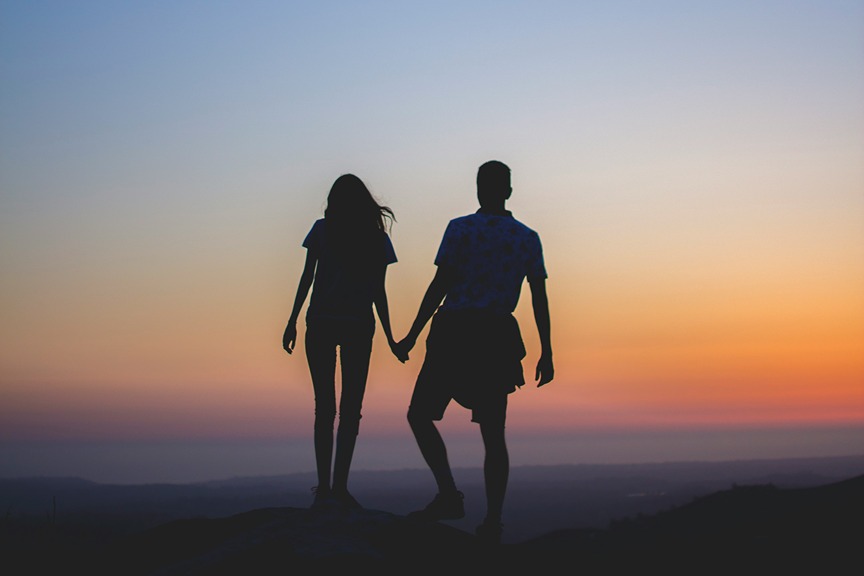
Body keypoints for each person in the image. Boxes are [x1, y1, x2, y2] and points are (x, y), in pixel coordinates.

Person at [395, 160, 554, 545]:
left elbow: (440, 285)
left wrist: (412, 335)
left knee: (419, 414)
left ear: (480, 189)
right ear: (509, 191)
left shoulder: (460, 228)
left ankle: (449, 495)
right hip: (495, 336)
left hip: (454, 331)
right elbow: (538, 298)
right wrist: (547, 351)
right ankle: (493, 522)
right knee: (493, 435)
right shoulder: (526, 237)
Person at [283, 173, 406, 511]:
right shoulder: (376, 238)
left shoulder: (323, 230)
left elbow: (307, 278)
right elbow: (378, 292)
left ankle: (325, 489)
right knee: (350, 411)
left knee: (325, 409)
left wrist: (292, 320)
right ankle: (338, 488)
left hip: (321, 322)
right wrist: (392, 338)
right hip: (356, 325)